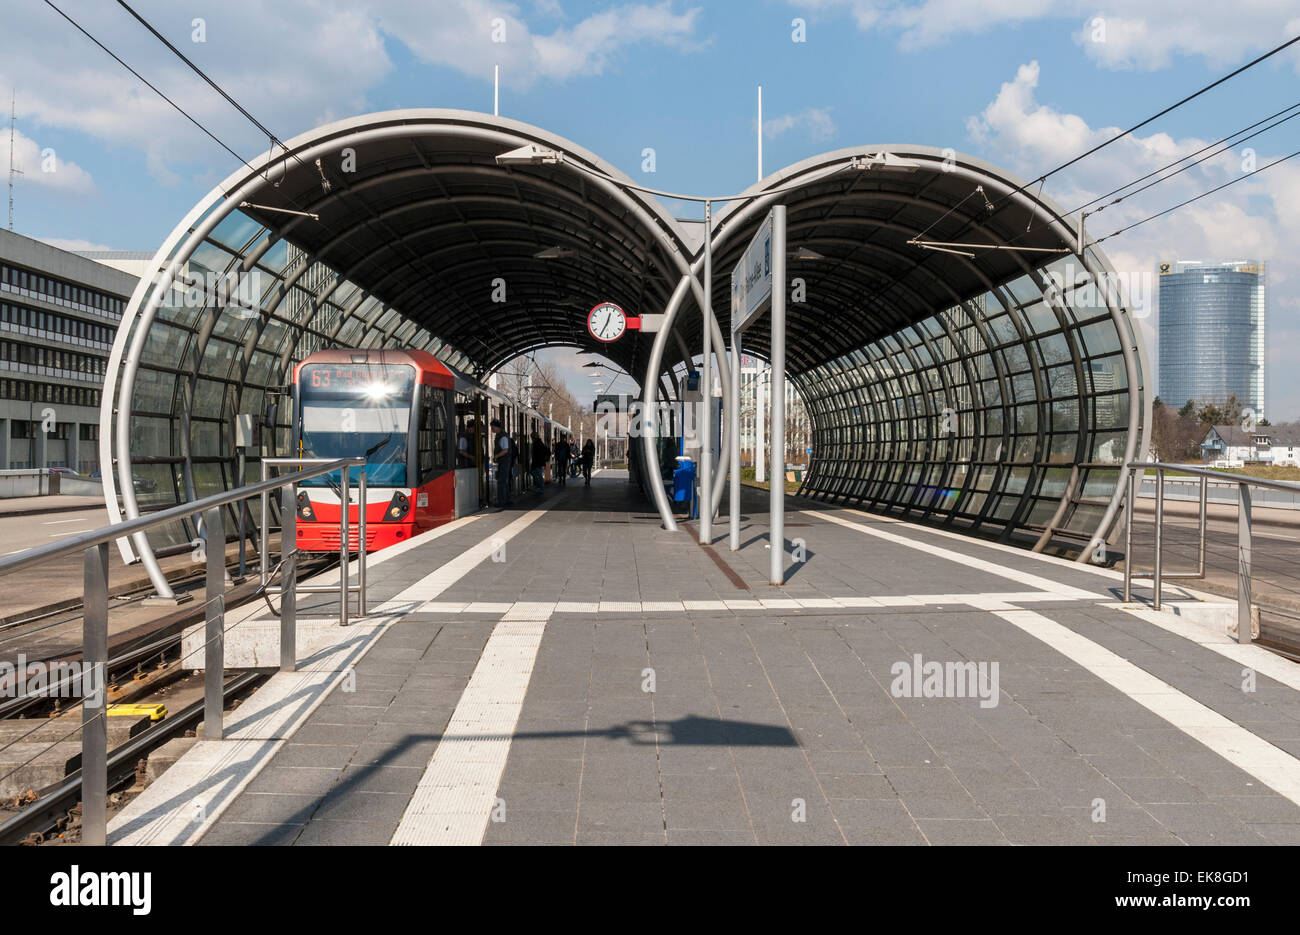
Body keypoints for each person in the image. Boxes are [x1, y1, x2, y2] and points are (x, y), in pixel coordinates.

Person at [490, 418, 514, 508]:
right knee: (504, 481)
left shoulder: (503, 437)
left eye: (492, 427)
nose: (492, 429)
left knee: (502, 481)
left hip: (504, 462)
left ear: (497, 427)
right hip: (505, 461)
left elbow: (505, 450)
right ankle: (507, 500)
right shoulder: (501, 435)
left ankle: (502, 501)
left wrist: (496, 456)